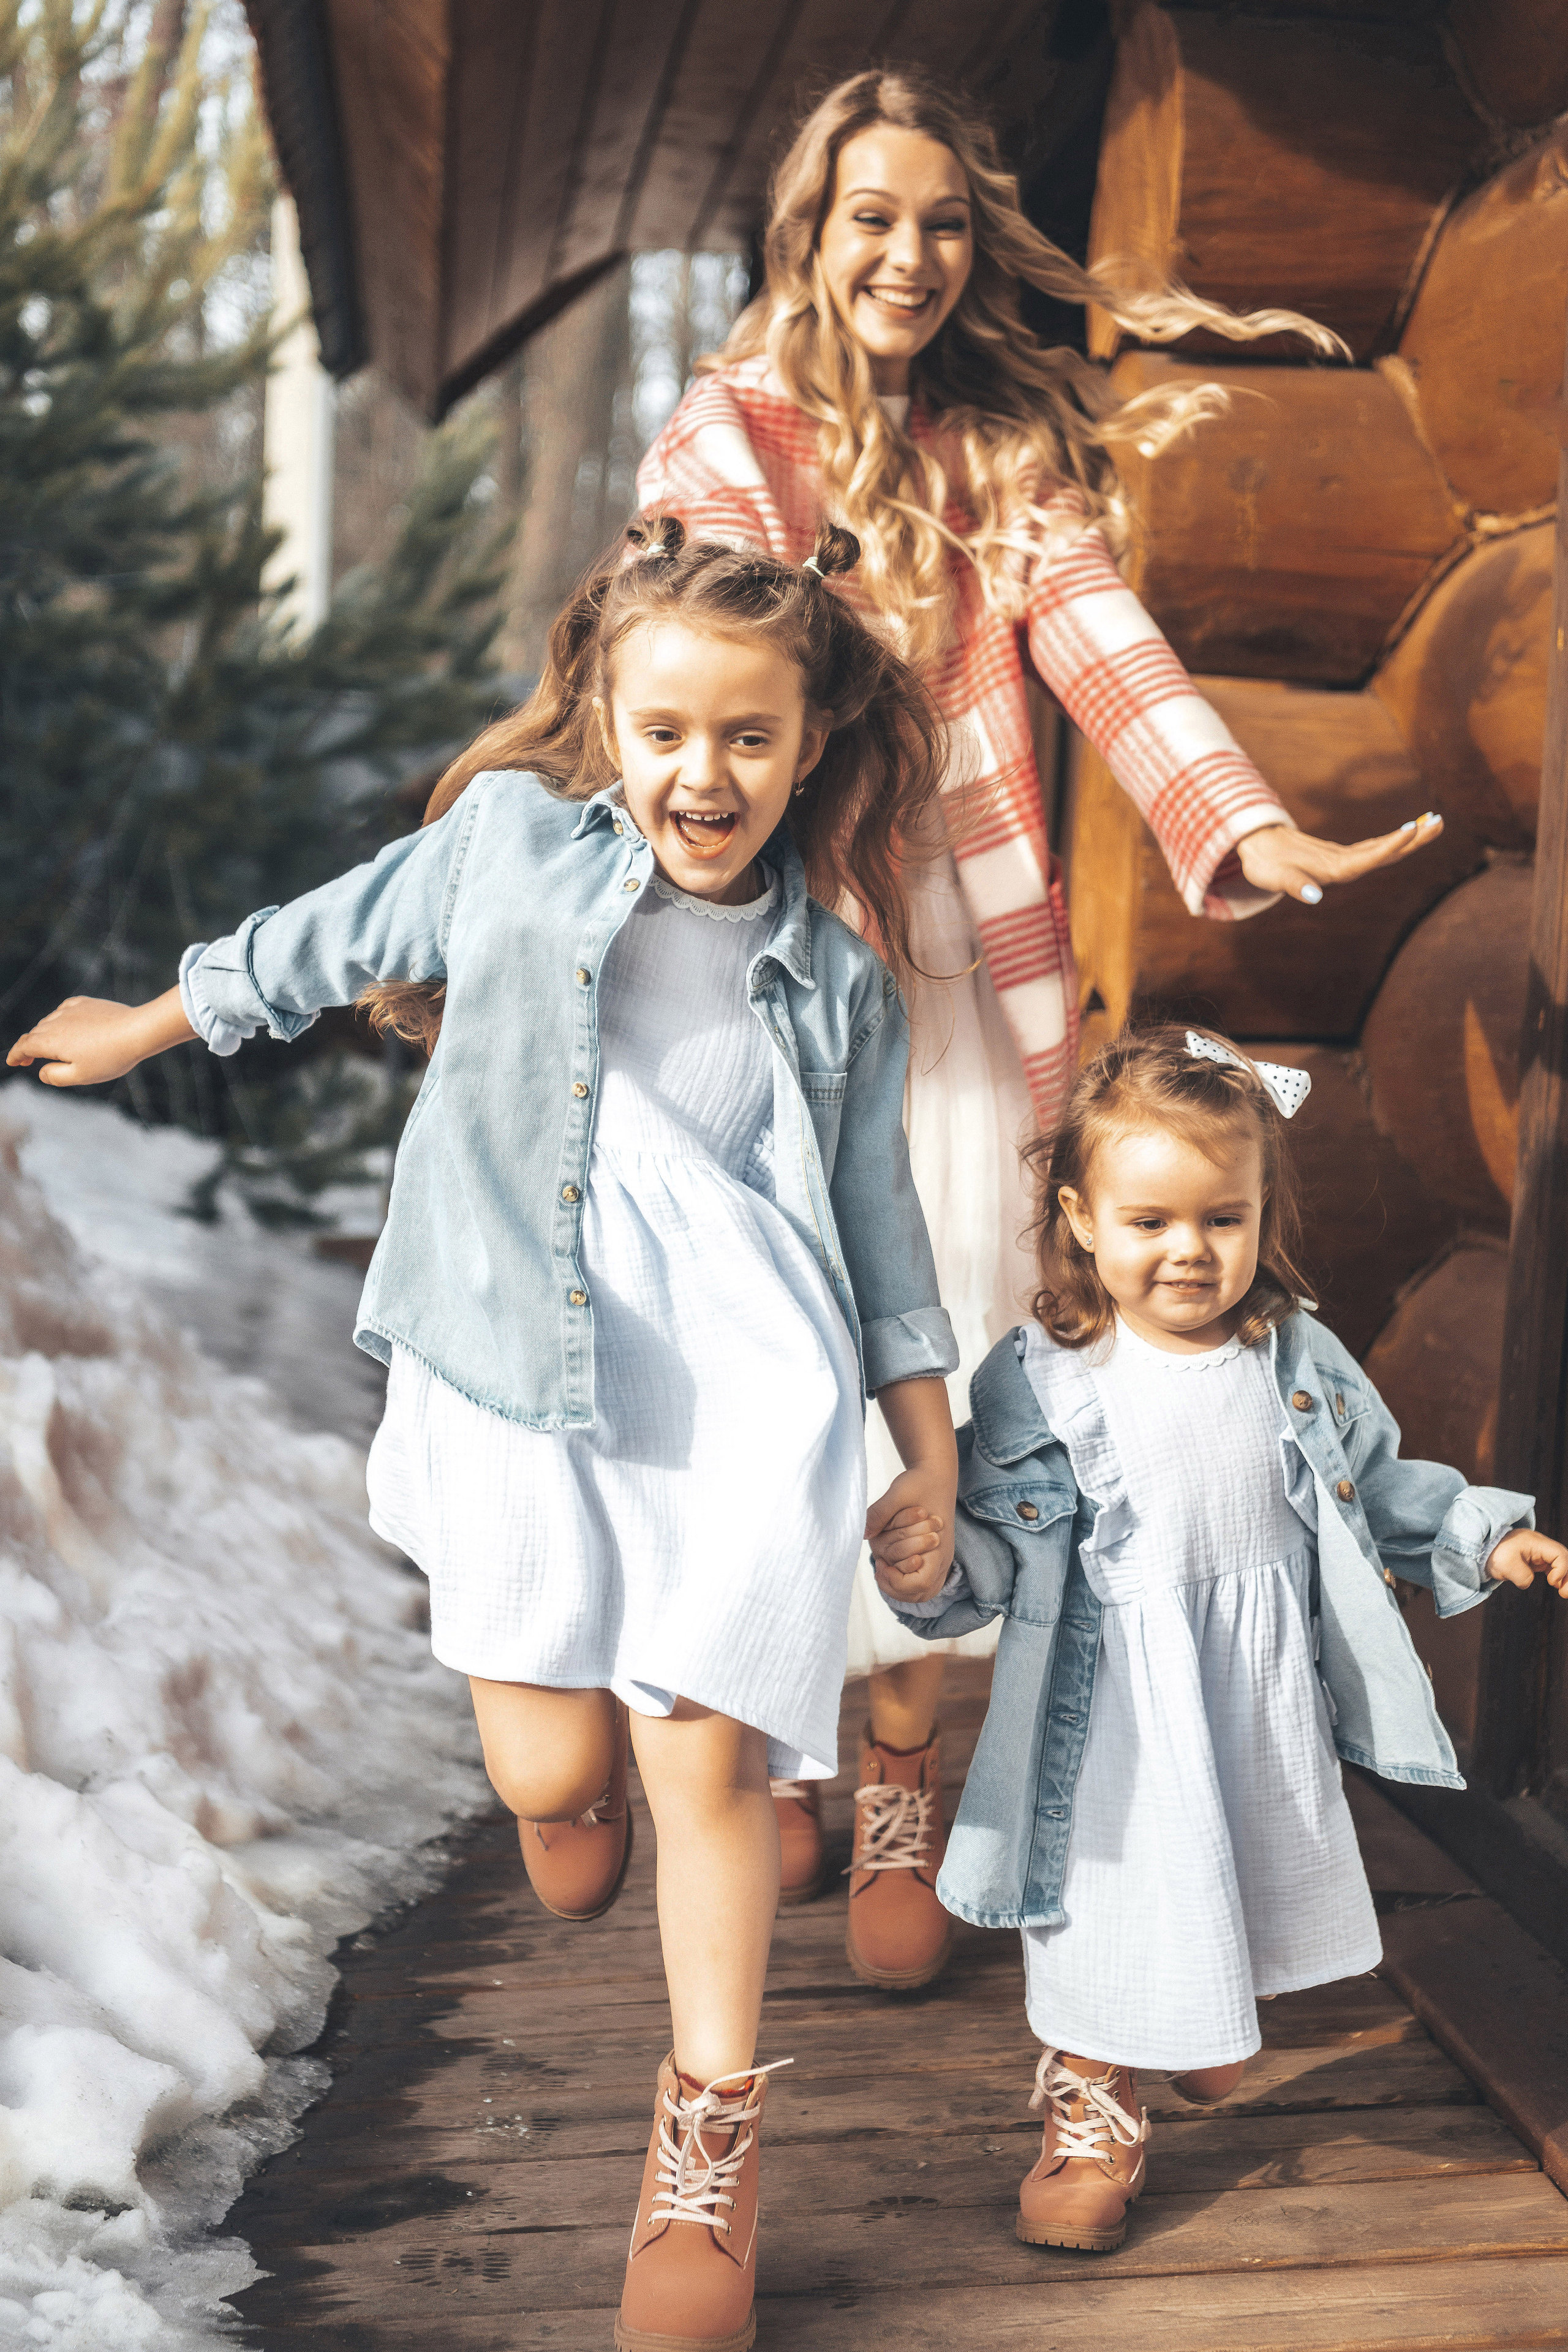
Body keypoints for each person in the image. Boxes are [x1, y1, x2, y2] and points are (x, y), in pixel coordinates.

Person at [7, 517, 967, 2352]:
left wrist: (919, 1447)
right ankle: (573, 1769)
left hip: (742, 1402)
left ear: (811, 743)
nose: (707, 775)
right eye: (668, 728)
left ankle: (706, 2154)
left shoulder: (834, 981)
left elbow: (881, 1232)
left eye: (750, 740)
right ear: (603, 716)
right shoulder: (510, 851)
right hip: (515, 1371)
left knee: (711, 1772)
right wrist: (145, 1023)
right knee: (545, 1787)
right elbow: (318, 941)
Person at [637, 67, 1445, 1978]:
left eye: (936, 221)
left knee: (951, 1343)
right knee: (785, 1349)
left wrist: (1246, 816)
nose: (906, 256)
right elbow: (696, 646)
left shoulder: (999, 451)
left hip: (964, 968)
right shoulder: (721, 435)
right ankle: (789, 1740)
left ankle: (907, 1751)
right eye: (869, 219)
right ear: (808, 238)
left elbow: (1105, 643)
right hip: (776, 969)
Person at [874, 1025, 1568, 2254]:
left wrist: (1474, 1533)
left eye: (1220, 1220)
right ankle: (1089, 2105)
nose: (1189, 1253)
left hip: (1253, 1689)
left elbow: (1375, 1485)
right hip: (1107, 1711)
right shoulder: (1044, 1380)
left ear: (1259, 1216)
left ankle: (1191, 2020)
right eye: (1149, 1223)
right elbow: (996, 1543)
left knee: (1231, 1863)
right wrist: (936, 1566)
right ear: (1081, 1221)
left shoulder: (1289, 1356)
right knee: (1101, 1901)